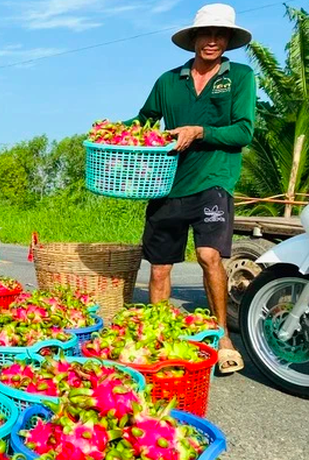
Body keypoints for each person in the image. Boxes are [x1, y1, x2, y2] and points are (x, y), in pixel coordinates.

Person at [130, 3, 255, 374]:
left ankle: (222, 336)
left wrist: (199, 131)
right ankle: (158, 335)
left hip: (213, 179)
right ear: (194, 39)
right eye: (206, 33)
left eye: (220, 35)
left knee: (208, 256)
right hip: (167, 183)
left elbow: (243, 131)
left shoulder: (240, 77)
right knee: (158, 269)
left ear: (228, 40)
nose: (212, 40)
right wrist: (107, 128)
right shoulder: (169, 81)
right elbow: (143, 121)